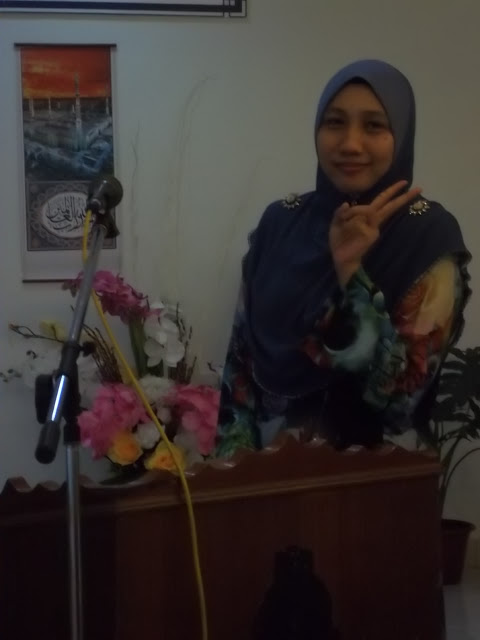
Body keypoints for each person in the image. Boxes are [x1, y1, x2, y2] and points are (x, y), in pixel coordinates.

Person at [215, 59, 471, 458]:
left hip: (373, 477)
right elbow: (240, 369)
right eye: (334, 122)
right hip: (267, 475)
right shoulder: (280, 223)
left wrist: (352, 272)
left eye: (374, 126)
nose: (350, 144)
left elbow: (398, 400)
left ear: (402, 134)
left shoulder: (426, 236)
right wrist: (233, 472)